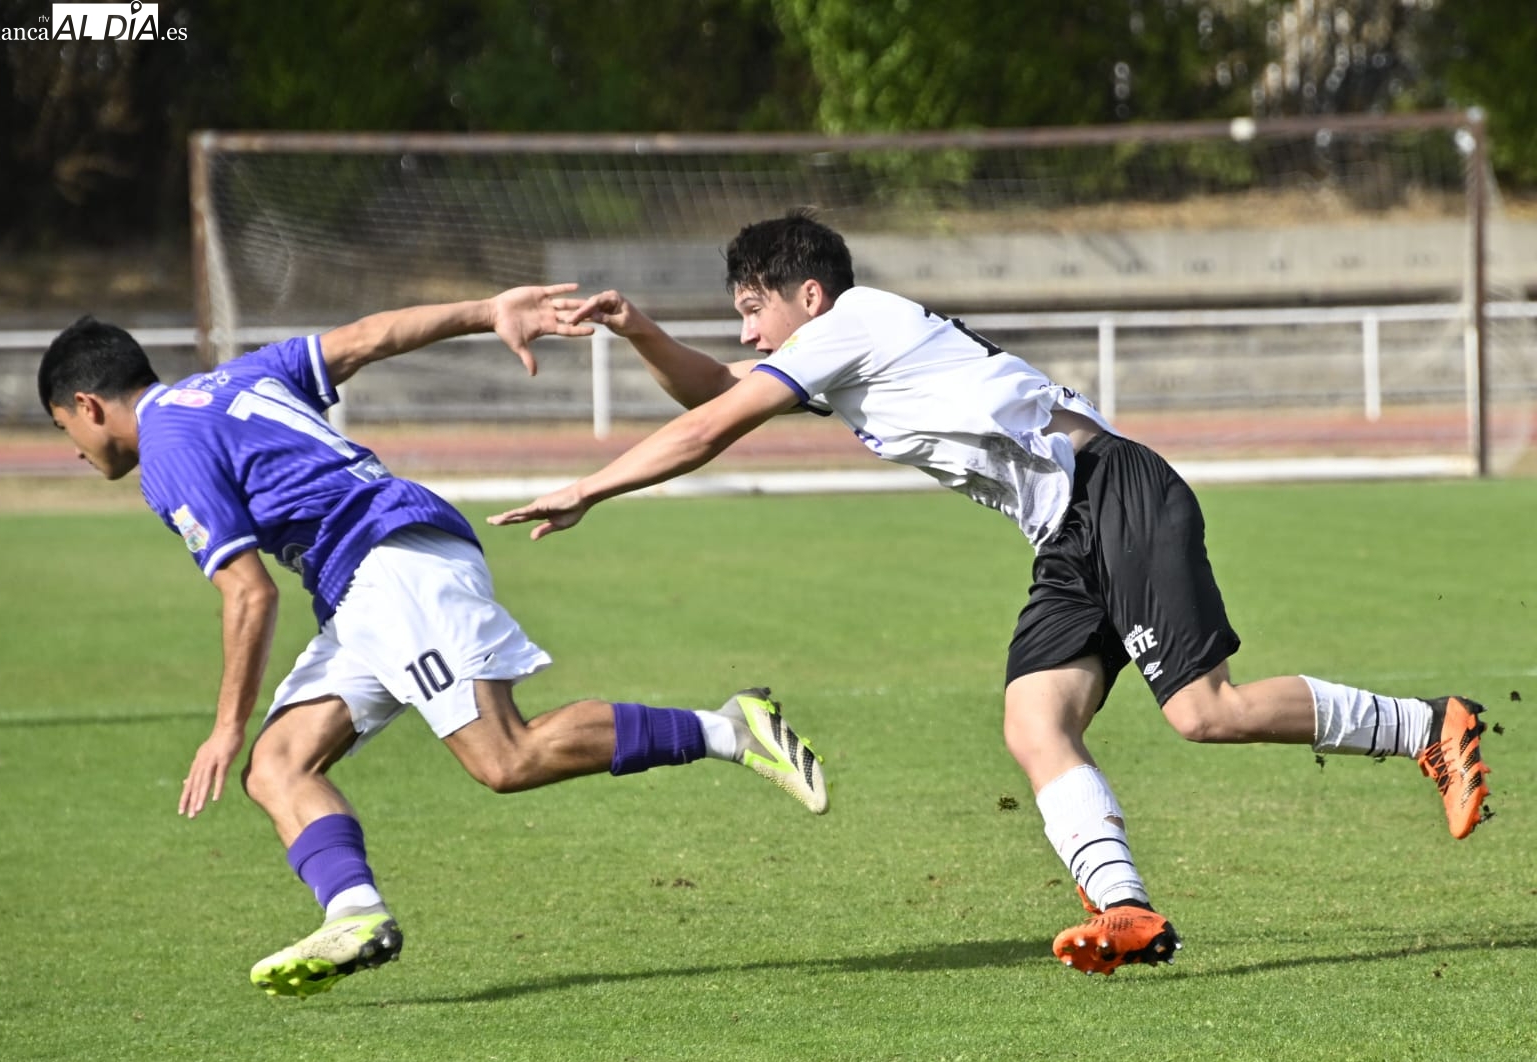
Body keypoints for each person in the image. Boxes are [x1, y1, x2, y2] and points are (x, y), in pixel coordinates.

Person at [489, 212, 1494, 975]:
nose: (750, 336)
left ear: (804, 294)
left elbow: (713, 426)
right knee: (1033, 719)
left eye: (752, 310)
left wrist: (592, 484)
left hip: (1114, 489)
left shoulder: (855, 320)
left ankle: (1427, 724)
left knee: (1204, 711)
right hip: (1066, 531)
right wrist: (635, 327)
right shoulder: (836, 347)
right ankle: (1126, 910)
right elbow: (713, 392)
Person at [37, 285, 828, 999]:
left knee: (504, 757)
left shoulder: (166, 452)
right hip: (363, 582)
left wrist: (221, 726)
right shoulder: (233, 380)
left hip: (390, 565)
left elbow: (249, 592)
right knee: (278, 767)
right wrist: (488, 312)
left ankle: (730, 728)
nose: (73, 448)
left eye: (63, 427)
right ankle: (354, 914)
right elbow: (370, 333)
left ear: (88, 404)